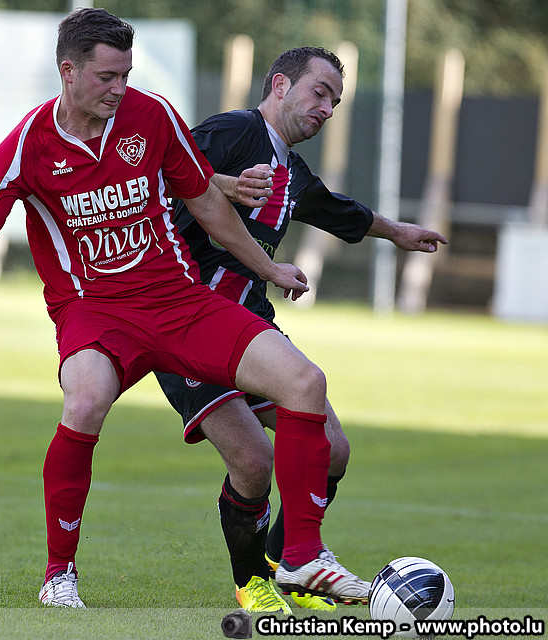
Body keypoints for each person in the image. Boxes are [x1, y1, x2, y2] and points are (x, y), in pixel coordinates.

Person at [0, 9, 380, 610]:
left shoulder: (152, 114)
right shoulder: (29, 145)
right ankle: (59, 574)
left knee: (305, 382)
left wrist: (268, 270)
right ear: (68, 71)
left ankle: (300, 557)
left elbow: (207, 203)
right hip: (94, 311)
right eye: (107, 77)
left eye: (126, 75)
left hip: (179, 300)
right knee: (85, 401)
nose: (120, 89)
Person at [155, 47, 448, 613]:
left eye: (335, 101)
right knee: (253, 462)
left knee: (332, 451)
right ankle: (253, 585)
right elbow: (163, 172)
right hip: (187, 324)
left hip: (250, 326)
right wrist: (224, 184)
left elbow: (337, 210)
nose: (327, 108)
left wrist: (397, 232)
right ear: (280, 85)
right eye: (319, 92)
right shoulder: (234, 131)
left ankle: (289, 562)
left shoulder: (290, 169)